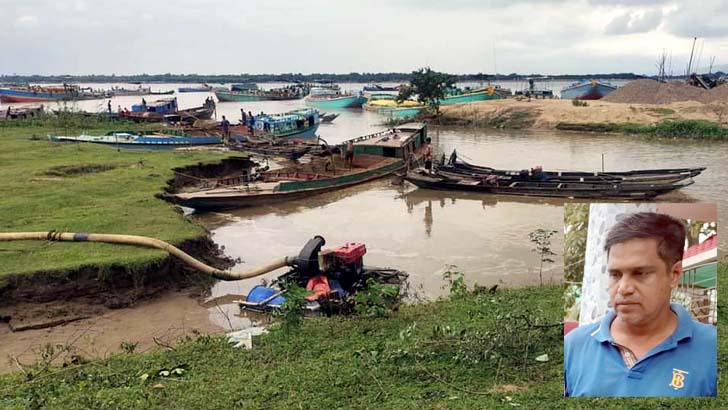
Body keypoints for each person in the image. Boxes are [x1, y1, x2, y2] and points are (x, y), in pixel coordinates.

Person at [564, 212, 717, 397]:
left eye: (640, 273)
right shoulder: (573, 347)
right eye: (615, 274)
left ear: (674, 274)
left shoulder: (713, 350)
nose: (623, 289)